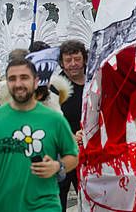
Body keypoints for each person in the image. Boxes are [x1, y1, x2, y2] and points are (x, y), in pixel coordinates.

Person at [0, 58, 78, 212]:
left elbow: (73, 156)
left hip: (46, 206)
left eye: (24, 78)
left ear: (36, 81)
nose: (18, 84)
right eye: (12, 79)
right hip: (5, 206)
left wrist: (58, 166)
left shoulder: (54, 119)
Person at [57, 40, 87, 211]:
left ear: (84, 60)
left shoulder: (93, 81)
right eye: (68, 60)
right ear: (62, 63)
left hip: (89, 151)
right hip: (62, 152)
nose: (73, 64)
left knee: (89, 196)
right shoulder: (56, 86)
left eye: (77, 59)